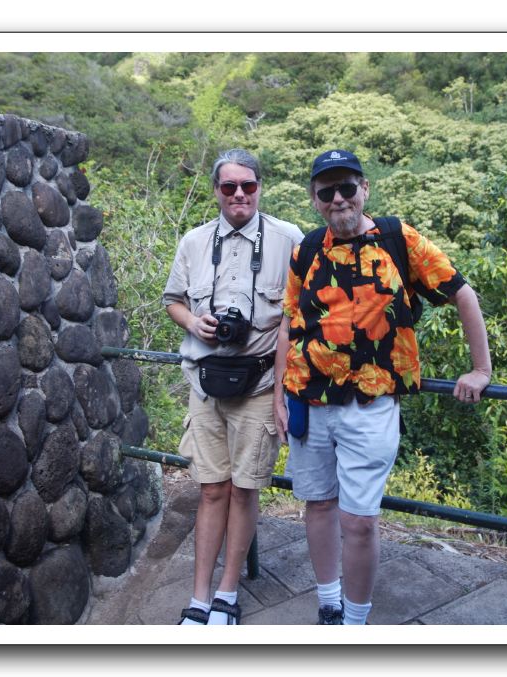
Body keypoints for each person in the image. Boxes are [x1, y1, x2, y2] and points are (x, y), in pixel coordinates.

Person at [272, 149, 492, 625]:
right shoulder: (306, 250)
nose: (338, 199)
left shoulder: (398, 238)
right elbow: (289, 326)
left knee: (359, 520)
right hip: (308, 399)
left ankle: (355, 620)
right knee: (318, 504)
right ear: (314, 199)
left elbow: (461, 292)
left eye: (346, 187)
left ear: (364, 189)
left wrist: (481, 370)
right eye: (326, 191)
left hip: (371, 405)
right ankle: (328, 601)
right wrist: (278, 397)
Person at [164, 148, 303, 625]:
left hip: (261, 384)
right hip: (205, 383)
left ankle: (227, 593)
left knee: (245, 491)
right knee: (210, 490)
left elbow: (296, 318)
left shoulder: (289, 240)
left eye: (248, 185)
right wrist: (193, 322)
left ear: (260, 187)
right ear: (217, 191)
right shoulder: (195, 242)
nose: (239, 194)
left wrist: (285, 391)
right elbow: (173, 301)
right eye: (229, 187)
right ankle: (199, 597)